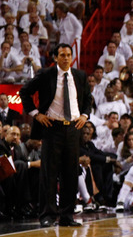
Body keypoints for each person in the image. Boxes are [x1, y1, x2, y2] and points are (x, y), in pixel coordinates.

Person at [19, 43, 92, 227]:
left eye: (68, 54)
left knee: (71, 173)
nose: (66, 58)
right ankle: (47, 216)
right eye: (62, 55)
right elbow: (24, 91)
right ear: (56, 57)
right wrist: (36, 114)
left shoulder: (80, 75)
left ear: (72, 57)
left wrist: (84, 116)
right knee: (49, 174)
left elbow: (88, 99)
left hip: (74, 128)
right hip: (52, 127)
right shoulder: (46, 74)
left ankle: (67, 216)